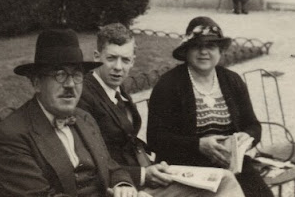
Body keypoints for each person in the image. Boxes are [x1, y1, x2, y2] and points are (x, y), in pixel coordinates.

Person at [78, 23, 245, 197]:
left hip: (145, 172)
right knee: (221, 184)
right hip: (120, 187)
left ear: (133, 60)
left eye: (125, 60)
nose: (118, 67)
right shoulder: (84, 96)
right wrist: (143, 175)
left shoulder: (115, 89)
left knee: (223, 181)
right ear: (97, 57)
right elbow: (91, 160)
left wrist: (151, 169)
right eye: (111, 58)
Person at [0, 28, 146, 197]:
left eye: (77, 75)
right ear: (37, 83)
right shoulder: (11, 134)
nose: (70, 84)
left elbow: (111, 166)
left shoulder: (84, 118)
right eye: (60, 74)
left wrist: (123, 185)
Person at [147, 17, 273, 197]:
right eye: (197, 46)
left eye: (211, 46)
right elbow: (155, 138)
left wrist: (246, 138)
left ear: (220, 51)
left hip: (231, 166)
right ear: (186, 51)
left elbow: (253, 125)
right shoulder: (169, 84)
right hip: (187, 170)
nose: (204, 52)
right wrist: (198, 145)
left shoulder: (232, 80)